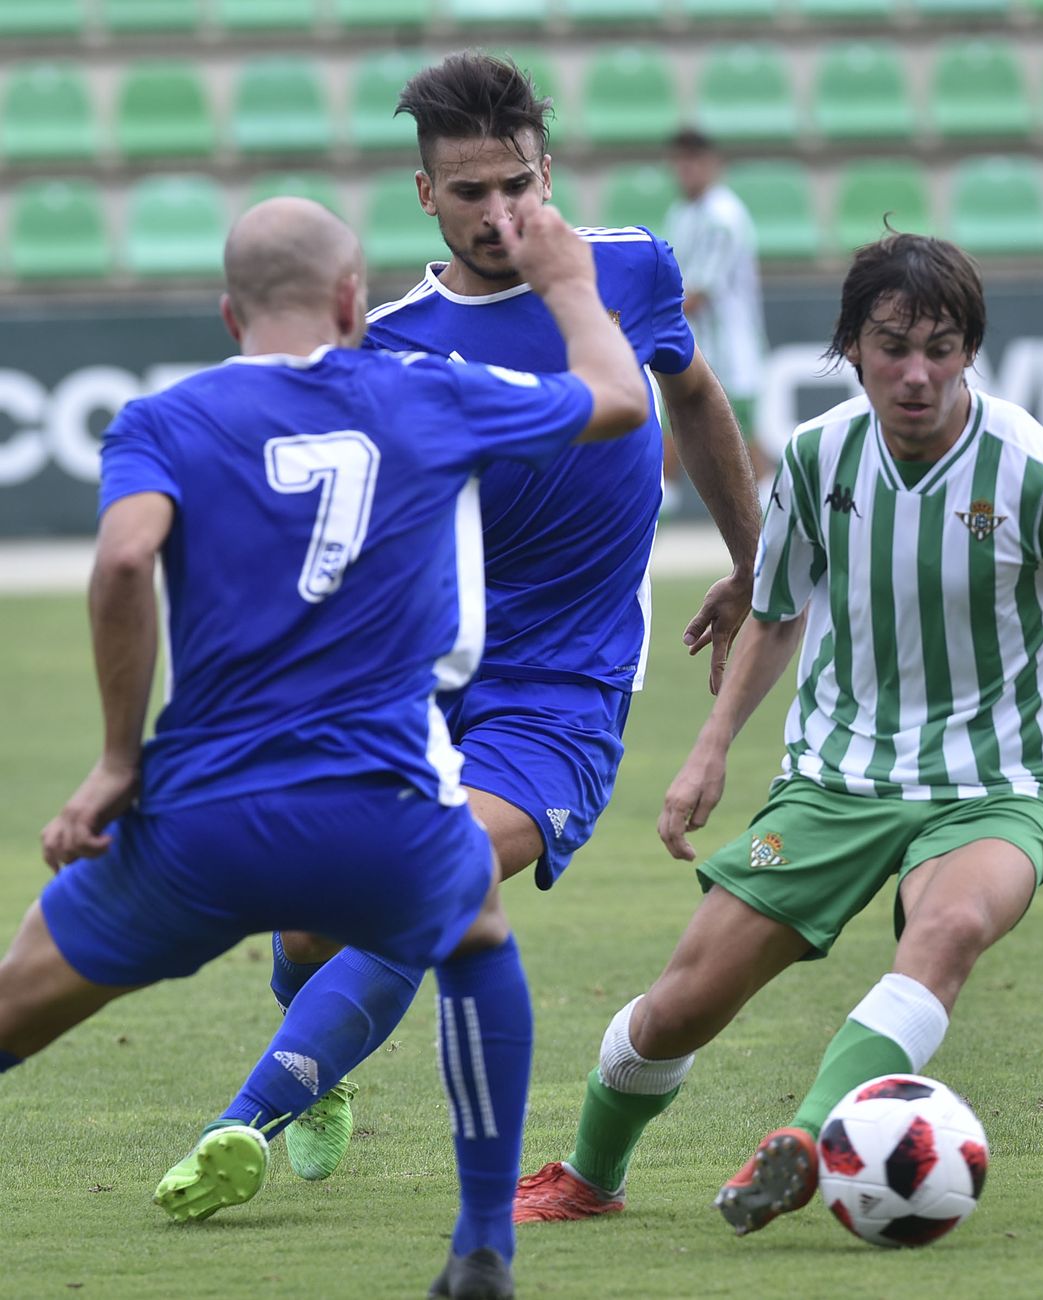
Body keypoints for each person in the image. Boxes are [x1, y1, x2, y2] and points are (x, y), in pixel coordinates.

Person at [514, 232, 1043, 1234]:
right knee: (678, 1008)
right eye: (891, 346)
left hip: (997, 783)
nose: (916, 373)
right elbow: (778, 609)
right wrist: (710, 746)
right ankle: (591, 1171)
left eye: (941, 346)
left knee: (951, 927)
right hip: (836, 776)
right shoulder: (812, 458)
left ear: (970, 350)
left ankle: (808, 1138)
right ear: (850, 346)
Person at [0, 195, 647, 1299]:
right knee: (478, 936)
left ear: (226, 312)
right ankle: (483, 1242)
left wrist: (117, 760)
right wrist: (571, 285)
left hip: (199, 822)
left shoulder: (165, 419)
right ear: (355, 303)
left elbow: (120, 565)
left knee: (18, 997)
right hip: (382, 815)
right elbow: (620, 399)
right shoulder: (425, 393)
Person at [195, 52, 762, 1196]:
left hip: (562, 692)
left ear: (547, 174)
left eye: (518, 185)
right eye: (469, 192)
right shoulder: (390, 345)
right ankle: (326, 1054)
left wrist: (753, 560)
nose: (500, 214)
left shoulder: (633, 273)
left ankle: (241, 1124)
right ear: (426, 198)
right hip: (414, 679)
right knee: (311, 922)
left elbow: (695, 396)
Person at [662, 127, 771, 508]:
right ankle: (660, 504)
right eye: (680, 160)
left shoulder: (723, 217)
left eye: (694, 160)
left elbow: (697, 295)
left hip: (731, 350)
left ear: (712, 165)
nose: (686, 169)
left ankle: (775, 506)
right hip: (698, 345)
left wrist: (639, 317)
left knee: (742, 437)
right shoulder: (682, 212)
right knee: (672, 424)